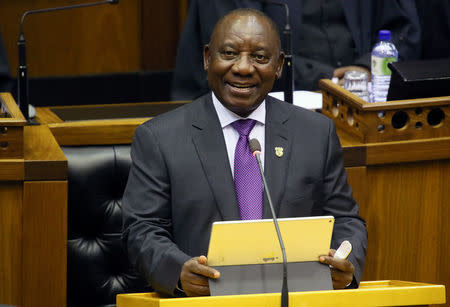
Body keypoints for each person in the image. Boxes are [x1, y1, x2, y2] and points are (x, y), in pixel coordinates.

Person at [122, 8, 367, 297]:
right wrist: (178, 271)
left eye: (260, 58)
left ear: (279, 66)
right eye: (228, 53)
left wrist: (344, 262)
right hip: (202, 302)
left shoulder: (315, 134)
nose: (243, 68)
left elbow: (346, 220)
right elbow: (142, 229)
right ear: (206, 58)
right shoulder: (160, 138)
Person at [171, 0, 421, 100]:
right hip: (261, 105)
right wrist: (334, 78)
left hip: (362, 102)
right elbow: (237, 53)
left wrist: (366, 68)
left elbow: (404, 29)